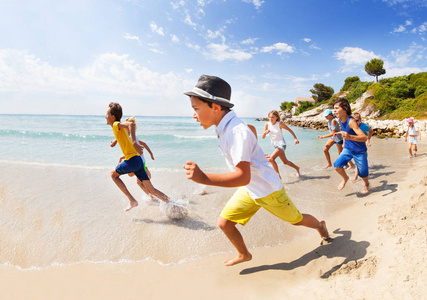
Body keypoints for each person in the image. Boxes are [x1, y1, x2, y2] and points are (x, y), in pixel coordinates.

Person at [183, 75, 331, 266]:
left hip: (269, 191)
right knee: (225, 223)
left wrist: (203, 178)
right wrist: (254, 147)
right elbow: (250, 129)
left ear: (216, 108)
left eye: (196, 109)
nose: (193, 114)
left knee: (296, 219)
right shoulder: (225, 126)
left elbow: (243, 177)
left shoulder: (236, 131)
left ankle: (320, 226)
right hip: (251, 189)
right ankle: (244, 254)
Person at [106, 102, 171, 211]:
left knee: (113, 175)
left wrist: (134, 143)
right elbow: (124, 133)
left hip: (131, 161)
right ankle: (174, 204)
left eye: (107, 114)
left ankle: (132, 200)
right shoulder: (118, 127)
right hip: (138, 161)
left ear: (112, 117)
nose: (105, 116)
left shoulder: (116, 124)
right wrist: (115, 141)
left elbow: (130, 125)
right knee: (151, 190)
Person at [111, 116, 155, 200]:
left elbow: (134, 151)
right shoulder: (134, 137)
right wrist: (151, 154)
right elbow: (144, 144)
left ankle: (151, 196)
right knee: (138, 182)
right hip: (141, 160)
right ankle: (151, 196)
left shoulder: (130, 138)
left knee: (131, 175)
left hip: (138, 160)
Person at [332, 98, 369, 194]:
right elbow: (346, 131)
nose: (334, 110)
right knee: (337, 166)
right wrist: (341, 134)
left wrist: (349, 137)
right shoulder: (340, 119)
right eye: (334, 108)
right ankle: (345, 178)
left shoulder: (351, 121)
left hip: (359, 150)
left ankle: (366, 184)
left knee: (363, 173)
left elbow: (364, 137)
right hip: (348, 148)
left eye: (336, 108)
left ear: (345, 109)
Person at [262, 110, 300, 179]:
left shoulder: (280, 124)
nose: (271, 119)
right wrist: (265, 133)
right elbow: (263, 137)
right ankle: (297, 167)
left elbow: (290, 130)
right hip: (275, 145)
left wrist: (295, 138)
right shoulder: (267, 124)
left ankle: (278, 177)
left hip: (281, 145)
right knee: (285, 162)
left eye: (272, 117)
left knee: (271, 159)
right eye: (270, 117)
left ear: (276, 117)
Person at [351, 113, 374, 182]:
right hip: (353, 145)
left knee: (359, 162)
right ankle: (356, 172)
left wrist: (368, 140)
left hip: (361, 146)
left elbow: (371, 131)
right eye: (353, 121)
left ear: (360, 120)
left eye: (356, 120)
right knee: (357, 161)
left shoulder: (364, 126)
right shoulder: (351, 126)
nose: (355, 122)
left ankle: (356, 177)